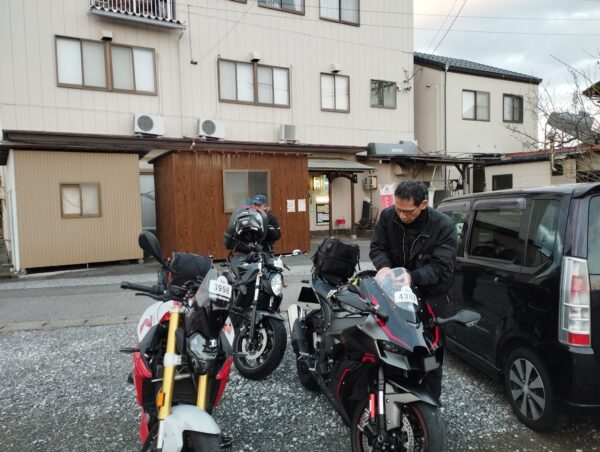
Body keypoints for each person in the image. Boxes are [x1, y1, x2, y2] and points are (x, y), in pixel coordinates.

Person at [369, 179, 458, 401]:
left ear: (423, 204)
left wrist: (412, 276)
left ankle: (429, 404)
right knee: (395, 345)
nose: (401, 215)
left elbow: (442, 268)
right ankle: (396, 397)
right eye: (398, 209)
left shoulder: (443, 225)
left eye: (408, 211)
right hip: (395, 294)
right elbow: (377, 246)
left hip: (431, 297)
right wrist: (384, 266)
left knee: (429, 354)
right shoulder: (388, 216)